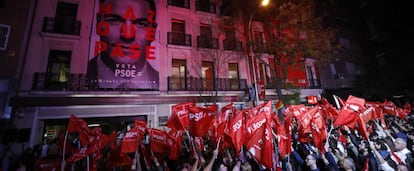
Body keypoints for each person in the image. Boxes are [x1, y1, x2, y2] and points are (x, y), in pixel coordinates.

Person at [86, 0, 159, 90]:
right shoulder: (85, 73)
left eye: (141, 24)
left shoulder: (159, 79)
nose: (127, 35)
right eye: (114, 20)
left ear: (154, 31)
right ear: (98, 24)